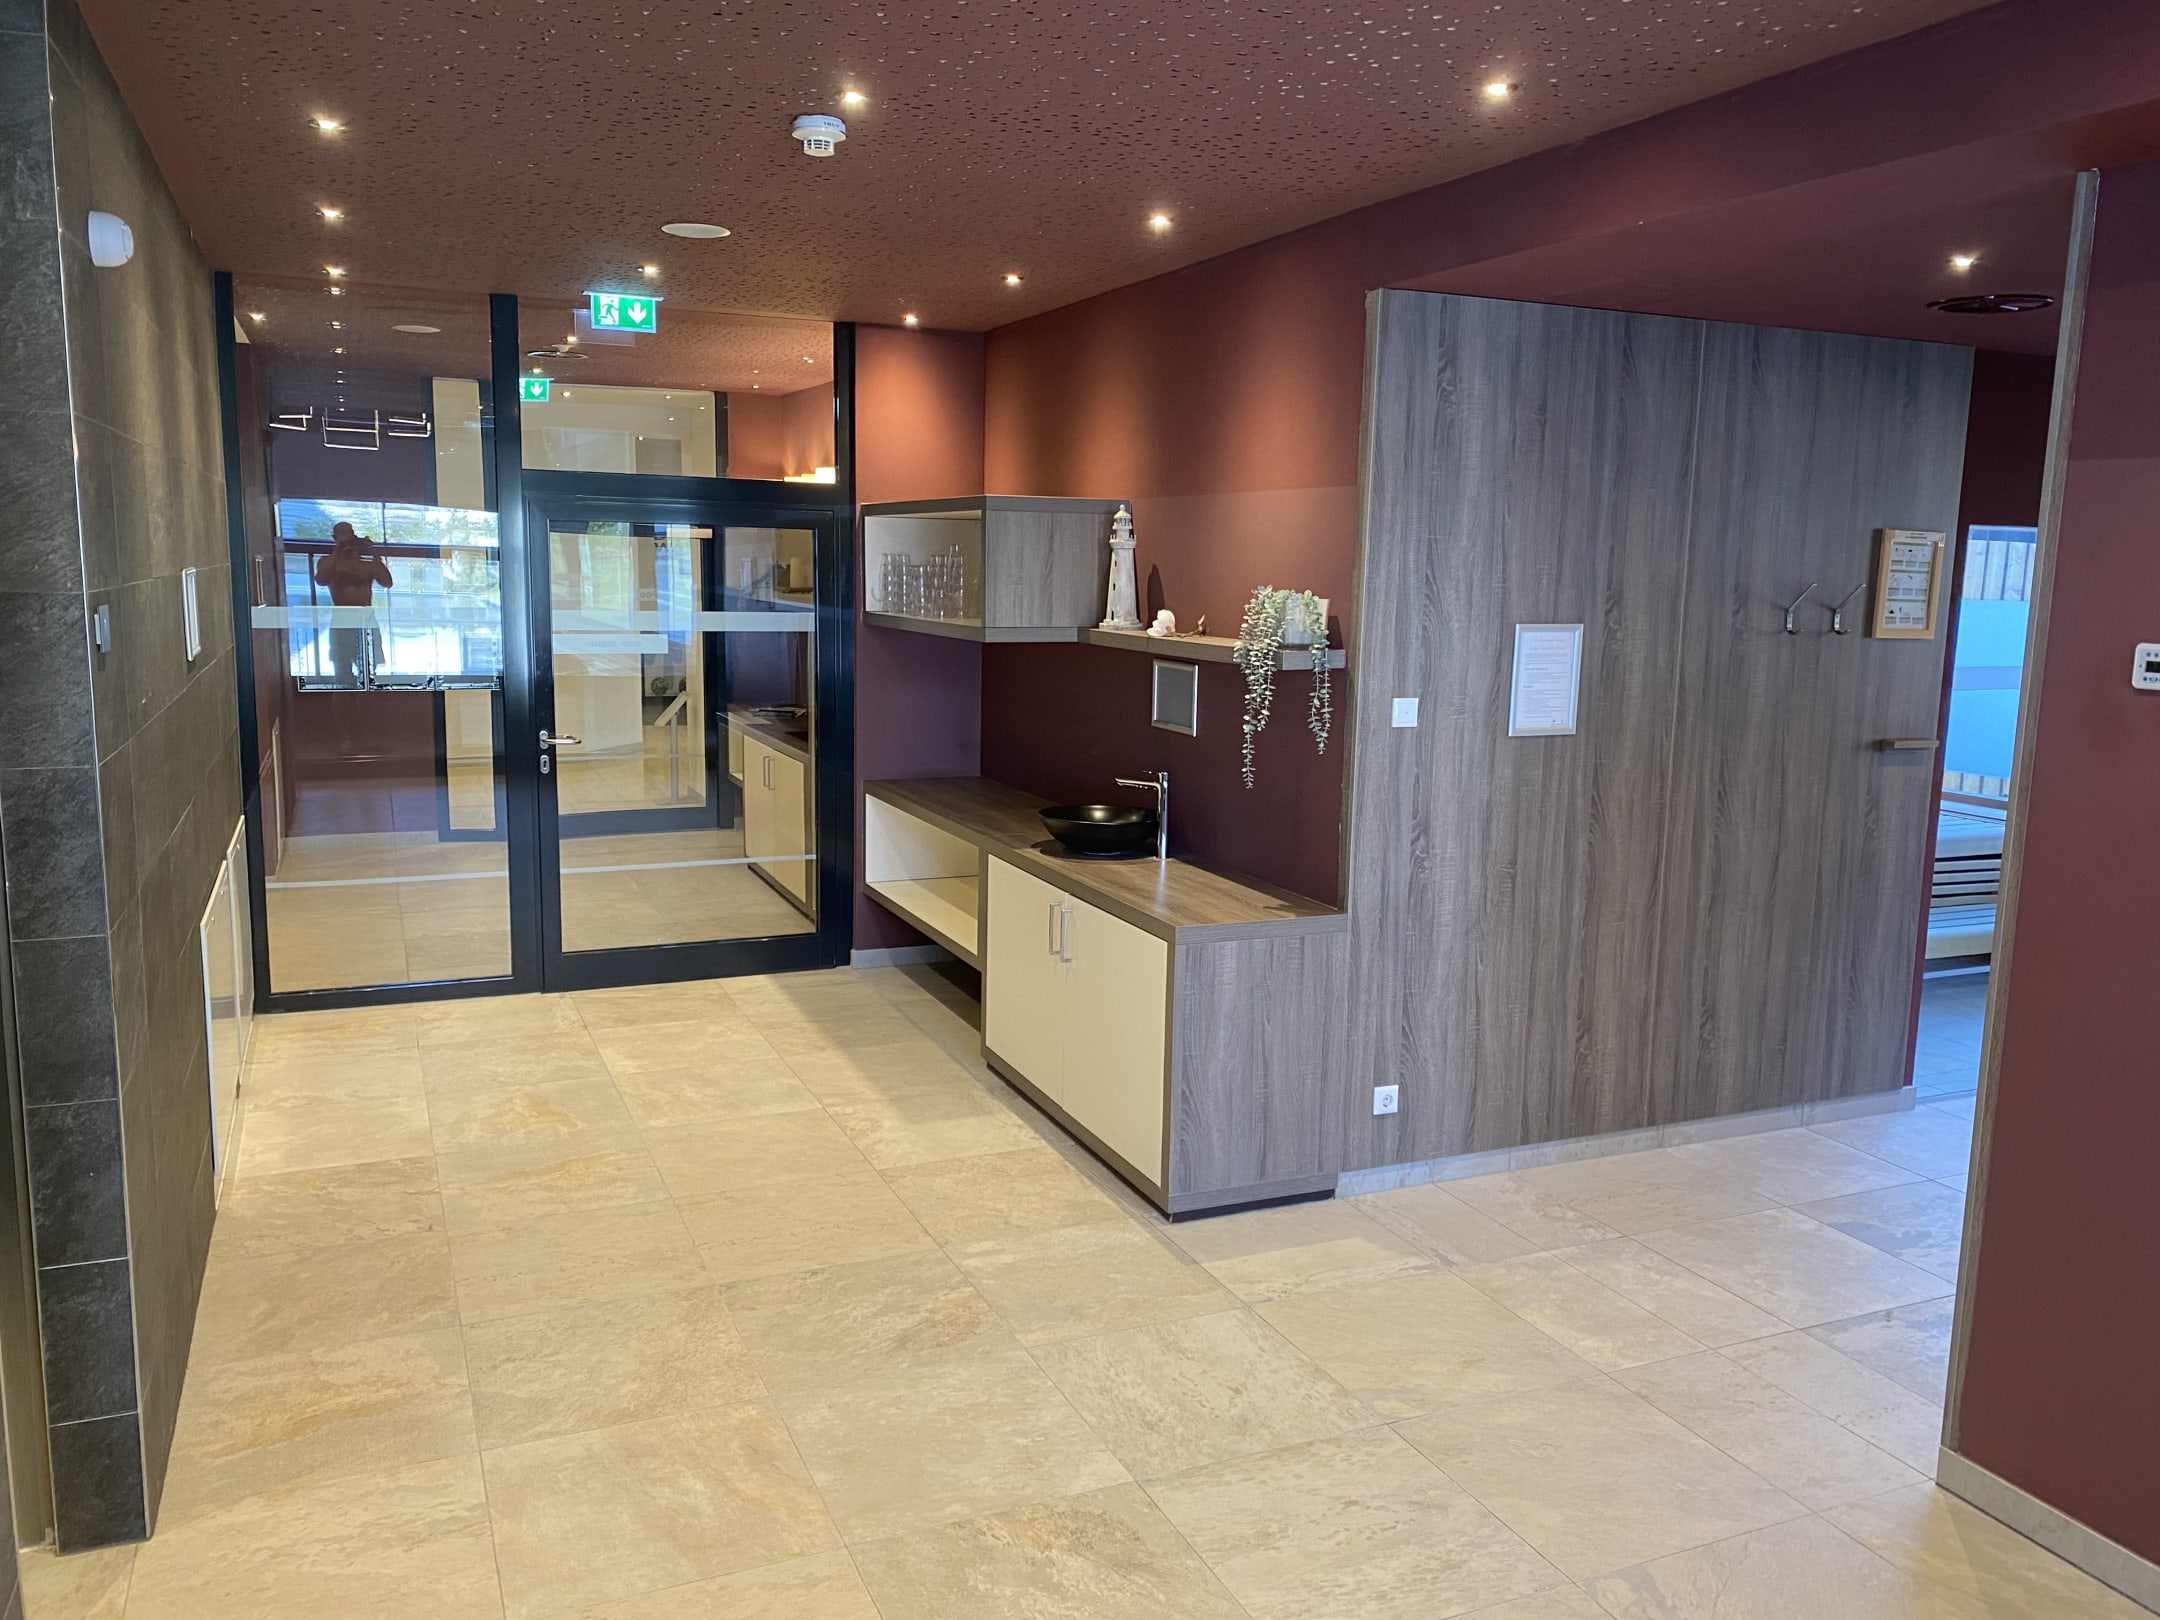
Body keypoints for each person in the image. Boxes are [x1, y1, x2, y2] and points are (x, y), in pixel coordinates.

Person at [315, 521, 394, 685]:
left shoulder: (365, 561)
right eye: (343, 533)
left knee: (369, 670)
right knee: (342, 669)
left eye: (350, 533)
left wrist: (372, 551)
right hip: (341, 617)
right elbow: (321, 579)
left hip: (366, 617)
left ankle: (367, 698)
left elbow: (387, 582)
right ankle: (343, 698)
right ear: (335, 537)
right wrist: (338, 550)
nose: (348, 536)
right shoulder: (328, 561)